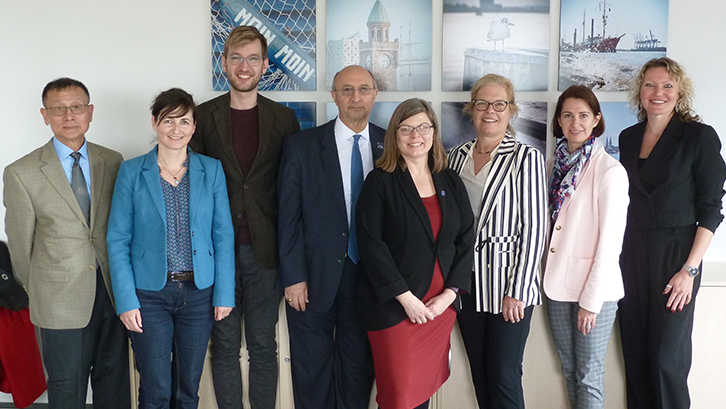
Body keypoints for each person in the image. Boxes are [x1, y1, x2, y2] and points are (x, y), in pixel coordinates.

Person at [189, 25, 300, 409]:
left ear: (266, 65)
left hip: (265, 252)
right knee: (222, 344)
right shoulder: (202, 117)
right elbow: (195, 188)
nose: (244, 65)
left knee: (262, 344)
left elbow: (291, 193)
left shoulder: (284, 120)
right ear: (224, 62)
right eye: (236, 57)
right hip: (216, 252)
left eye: (253, 58)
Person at [3, 77, 130, 409]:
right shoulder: (21, 172)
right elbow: (20, 245)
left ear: (90, 112)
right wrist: (43, 292)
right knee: (67, 388)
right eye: (59, 109)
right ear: (45, 115)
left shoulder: (113, 161)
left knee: (114, 383)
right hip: (60, 299)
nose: (69, 116)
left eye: (76, 107)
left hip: (113, 294)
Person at [106, 88, 235, 409]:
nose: (176, 130)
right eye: (168, 121)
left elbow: (223, 235)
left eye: (184, 122)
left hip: (199, 294)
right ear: (154, 123)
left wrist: (224, 294)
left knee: (188, 387)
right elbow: (117, 239)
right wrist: (126, 301)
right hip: (149, 296)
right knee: (156, 388)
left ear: (194, 127)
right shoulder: (132, 172)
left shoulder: (211, 170)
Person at [617, 57, 726, 409]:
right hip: (631, 255)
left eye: (667, 85)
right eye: (650, 85)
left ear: (679, 93)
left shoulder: (699, 136)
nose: (657, 92)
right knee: (635, 357)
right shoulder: (629, 137)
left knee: (667, 361)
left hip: (676, 257)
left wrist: (689, 271)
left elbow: (712, 209)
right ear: (640, 91)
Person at [356, 98, 475, 409]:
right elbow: (371, 245)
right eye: (406, 129)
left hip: (438, 309)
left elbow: (465, 238)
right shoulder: (380, 181)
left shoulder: (449, 180)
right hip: (396, 309)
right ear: (395, 135)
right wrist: (406, 299)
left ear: (433, 132)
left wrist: (450, 295)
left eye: (423, 127)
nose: (415, 135)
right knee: (399, 398)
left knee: (421, 395)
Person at [278, 65, 382, 409]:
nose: (356, 97)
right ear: (334, 96)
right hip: (313, 277)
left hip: (369, 280)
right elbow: (288, 218)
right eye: (347, 90)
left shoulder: (391, 145)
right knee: (311, 369)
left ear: (374, 95)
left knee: (359, 369)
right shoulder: (302, 146)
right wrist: (293, 277)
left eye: (363, 89)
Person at [447, 73, 547, 409]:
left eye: (499, 104)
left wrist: (518, 290)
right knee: (481, 374)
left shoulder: (526, 158)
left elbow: (535, 229)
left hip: (508, 285)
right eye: (482, 104)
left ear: (511, 110)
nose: (490, 110)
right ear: (471, 110)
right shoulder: (455, 157)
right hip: (466, 283)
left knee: (504, 375)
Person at [543, 85, 628, 409]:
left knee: (589, 376)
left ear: (596, 120)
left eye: (582, 115)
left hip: (596, 293)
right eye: (567, 115)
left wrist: (591, 301)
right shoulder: (553, 165)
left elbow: (610, 242)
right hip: (557, 287)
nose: (574, 123)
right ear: (559, 121)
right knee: (570, 372)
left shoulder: (610, 171)